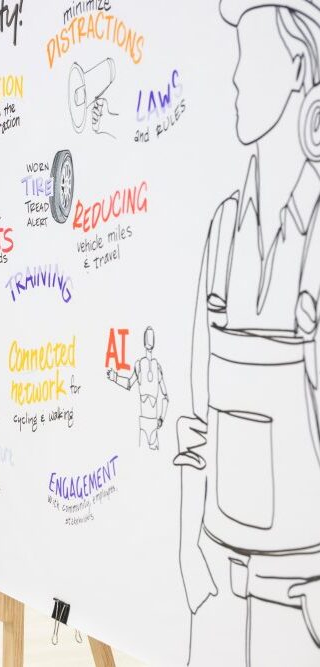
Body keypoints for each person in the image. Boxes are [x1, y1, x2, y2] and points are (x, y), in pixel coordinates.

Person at [175, 2, 320, 664]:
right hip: (218, 598)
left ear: (296, 68)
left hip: (299, 604)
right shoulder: (223, 230)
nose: (233, 77)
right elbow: (197, 416)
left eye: (248, 56)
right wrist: (188, 549)